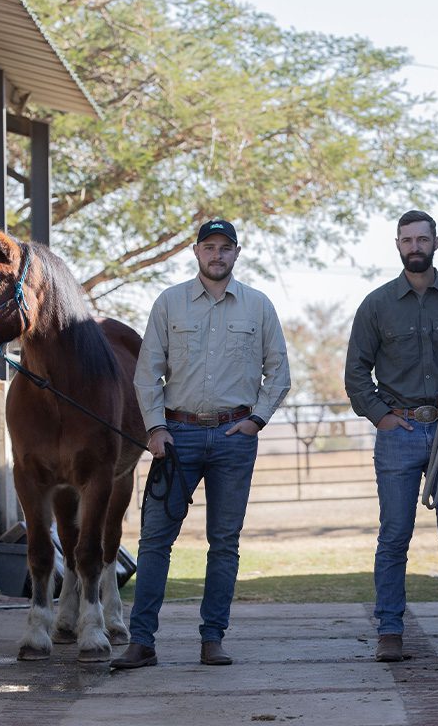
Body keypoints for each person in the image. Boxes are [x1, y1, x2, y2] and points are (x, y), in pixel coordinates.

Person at [111, 219, 291, 670]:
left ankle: (213, 638)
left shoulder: (259, 306)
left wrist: (256, 421)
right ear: (195, 252)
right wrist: (155, 429)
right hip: (178, 436)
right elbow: (146, 371)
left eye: (225, 248)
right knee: (155, 541)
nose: (217, 255)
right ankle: (142, 641)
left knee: (224, 543)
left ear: (237, 252)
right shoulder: (170, 303)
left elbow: (280, 373)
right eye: (209, 247)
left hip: (235, 437)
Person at [344, 209, 438, 663]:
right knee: (394, 534)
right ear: (397, 245)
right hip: (399, 431)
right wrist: (381, 417)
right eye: (407, 240)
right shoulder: (376, 305)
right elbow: (356, 373)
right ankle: (390, 629)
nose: (415, 246)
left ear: (435, 242)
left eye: (422, 239)